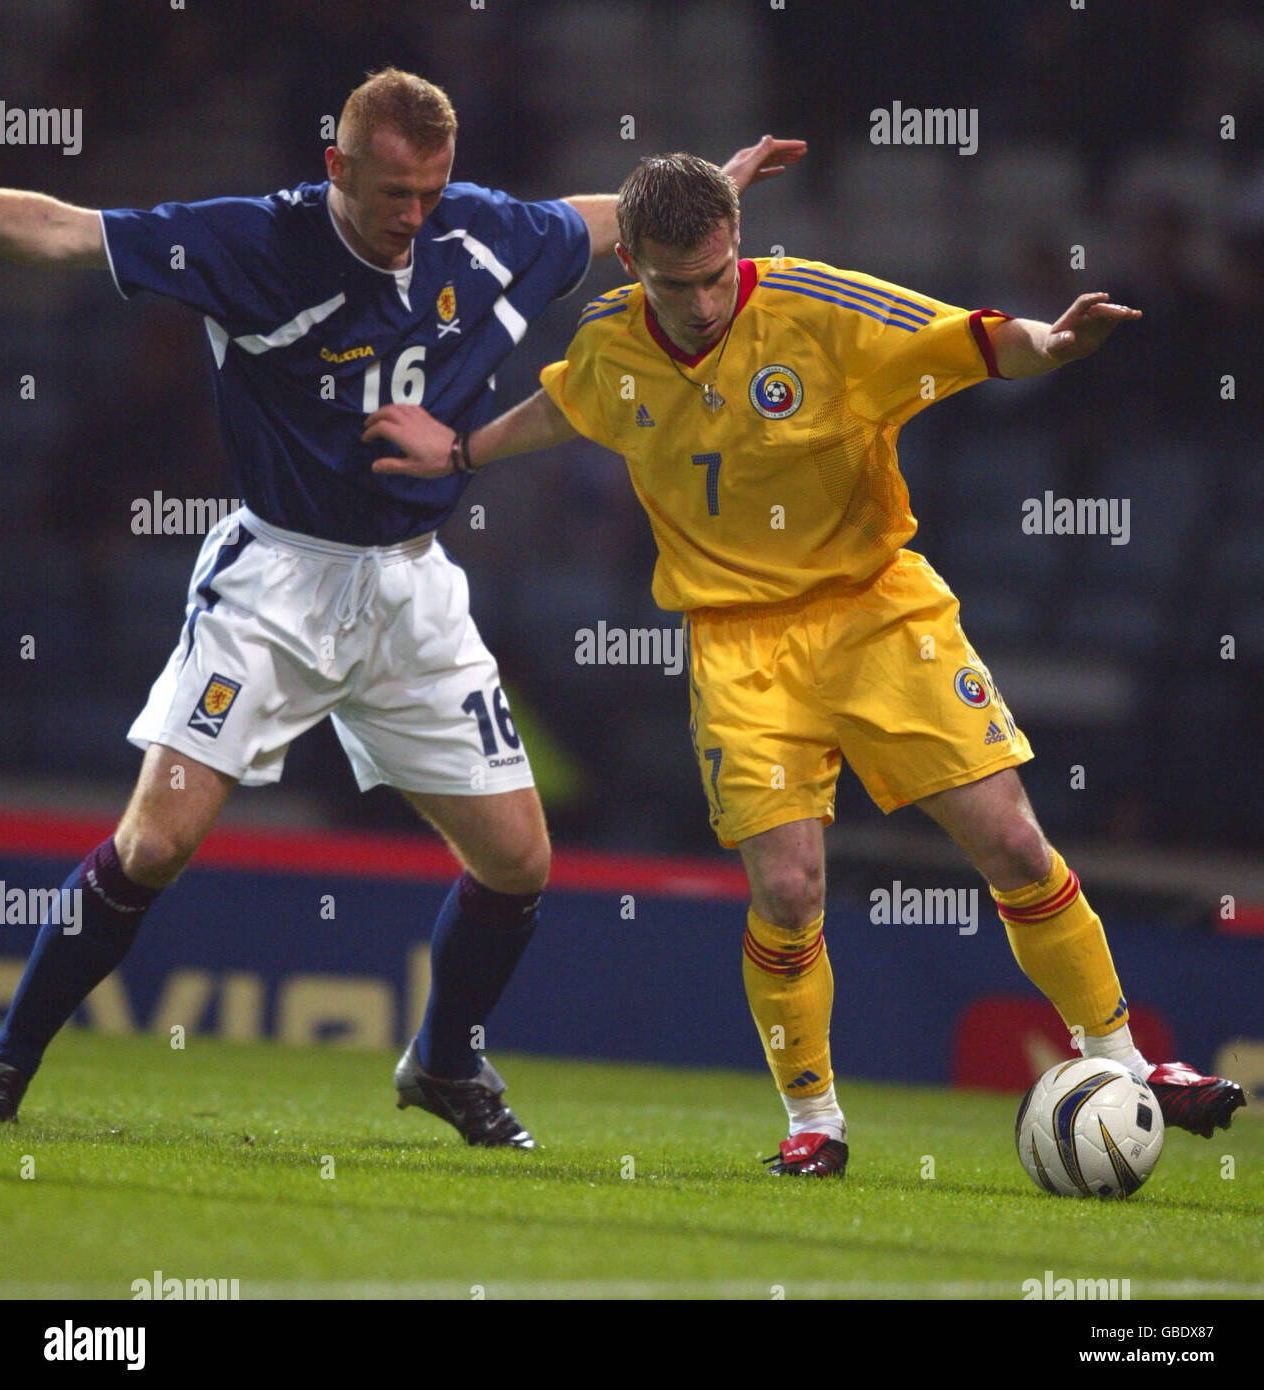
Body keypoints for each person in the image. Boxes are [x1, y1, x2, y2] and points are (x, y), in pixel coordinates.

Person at [361, 152, 1246, 1176]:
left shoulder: (817, 309)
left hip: (875, 610)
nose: (695, 303)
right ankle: (813, 1121)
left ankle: (1126, 1063)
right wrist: (461, 452)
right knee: (786, 888)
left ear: (733, 243)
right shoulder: (611, 340)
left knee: (1009, 838)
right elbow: (570, 405)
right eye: (669, 282)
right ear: (631, 263)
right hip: (738, 646)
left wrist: (1049, 342)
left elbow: (965, 339)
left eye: (710, 275)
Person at [0, 76, 804, 1147]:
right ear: (336, 167)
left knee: (518, 859)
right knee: (156, 841)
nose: (412, 216)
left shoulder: (478, 234)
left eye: (430, 189)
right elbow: (57, 229)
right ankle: (9, 1061)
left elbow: (594, 216)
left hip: (412, 588)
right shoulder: (247, 241)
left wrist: (709, 190)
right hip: (275, 586)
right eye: (391, 192)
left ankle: (444, 1059)